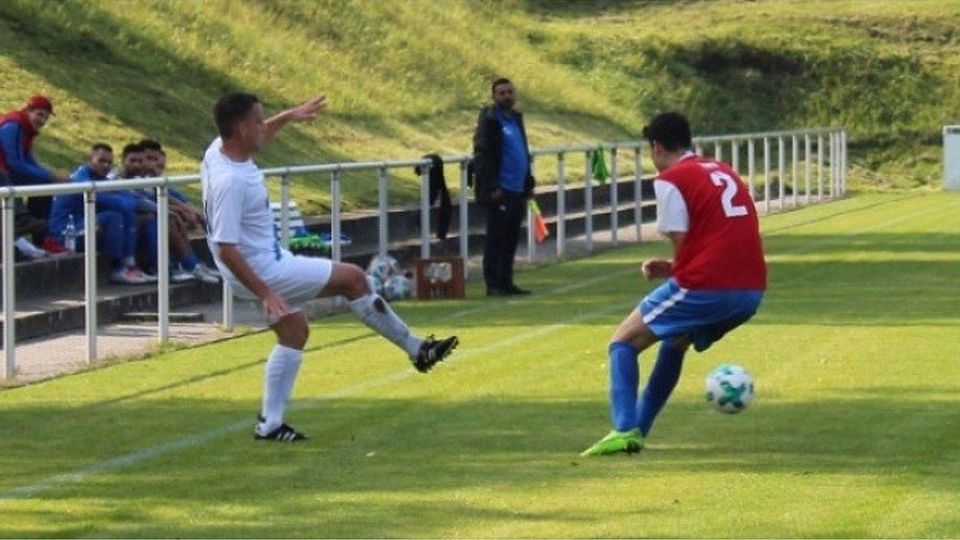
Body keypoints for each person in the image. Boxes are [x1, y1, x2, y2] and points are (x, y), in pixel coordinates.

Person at [201, 92, 458, 442]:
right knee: (354, 279)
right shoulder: (232, 182)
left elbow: (255, 134)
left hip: (262, 262)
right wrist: (267, 293)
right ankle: (417, 349)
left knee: (295, 332)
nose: (266, 126)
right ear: (243, 129)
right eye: (260, 121)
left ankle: (270, 424)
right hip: (263, 269)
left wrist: (289, 117)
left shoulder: (218, 149)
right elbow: (224, 245)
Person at [580, 112, 767, 456]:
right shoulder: (724, 171)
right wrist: (672, 268)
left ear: (656, 146)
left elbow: (681, 237)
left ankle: (623, 428)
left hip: (710, 285)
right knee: (675, 341)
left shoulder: (672, 178)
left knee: (622, 342)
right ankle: (639, 430)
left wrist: (677, 267)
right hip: (750, 291)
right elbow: (721, 235)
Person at [47, 143, 152, 284]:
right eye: (101, 161)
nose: (106, 165)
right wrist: (125, 200)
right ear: (89, 160)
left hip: (85, 225)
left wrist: (127, 201)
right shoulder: (81, 180)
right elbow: (120, 202)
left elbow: (126, 198)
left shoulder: (101, 179)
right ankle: (117, 268)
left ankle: (129, 265)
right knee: (113, 216)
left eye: (109, 162)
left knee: (127, 215)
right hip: (66, 233)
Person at [471, 78, 535, 297]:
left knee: (511, 238)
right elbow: (482, 154)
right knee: (496, 238)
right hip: (501, 189)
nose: (506, 96)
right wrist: (490, 187)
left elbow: (523, 150)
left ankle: (507, 281)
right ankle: (493, 284)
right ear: (494, 96)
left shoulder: (516, 118)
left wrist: (528, 184)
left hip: (517, 188)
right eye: (501, 93)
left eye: (509, 92)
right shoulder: (490, 119)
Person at [137, 139, 218, 284]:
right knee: (168, 219)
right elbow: (144, 202)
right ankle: (187, 265)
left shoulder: (153, 180)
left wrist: (190, 211)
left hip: (153, 213)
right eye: (148, 159)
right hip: (136, 219)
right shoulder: (130, 179)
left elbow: (170, 198)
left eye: (156, 161)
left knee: (177, 217)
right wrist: (179, 210)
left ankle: (195, 264)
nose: (153, 165)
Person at [0, 95, 70, 259]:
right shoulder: (13, 125)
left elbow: (29, 163)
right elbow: (15, 163)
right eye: (39, 114)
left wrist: (50, 177)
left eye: (45, 116)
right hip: (2, 174)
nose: (42, 120)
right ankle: (21, 220)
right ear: (28, 111)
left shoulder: (26, 131)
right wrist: (51, 175)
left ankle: (41, 236)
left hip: (5, 174)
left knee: (43, 183)